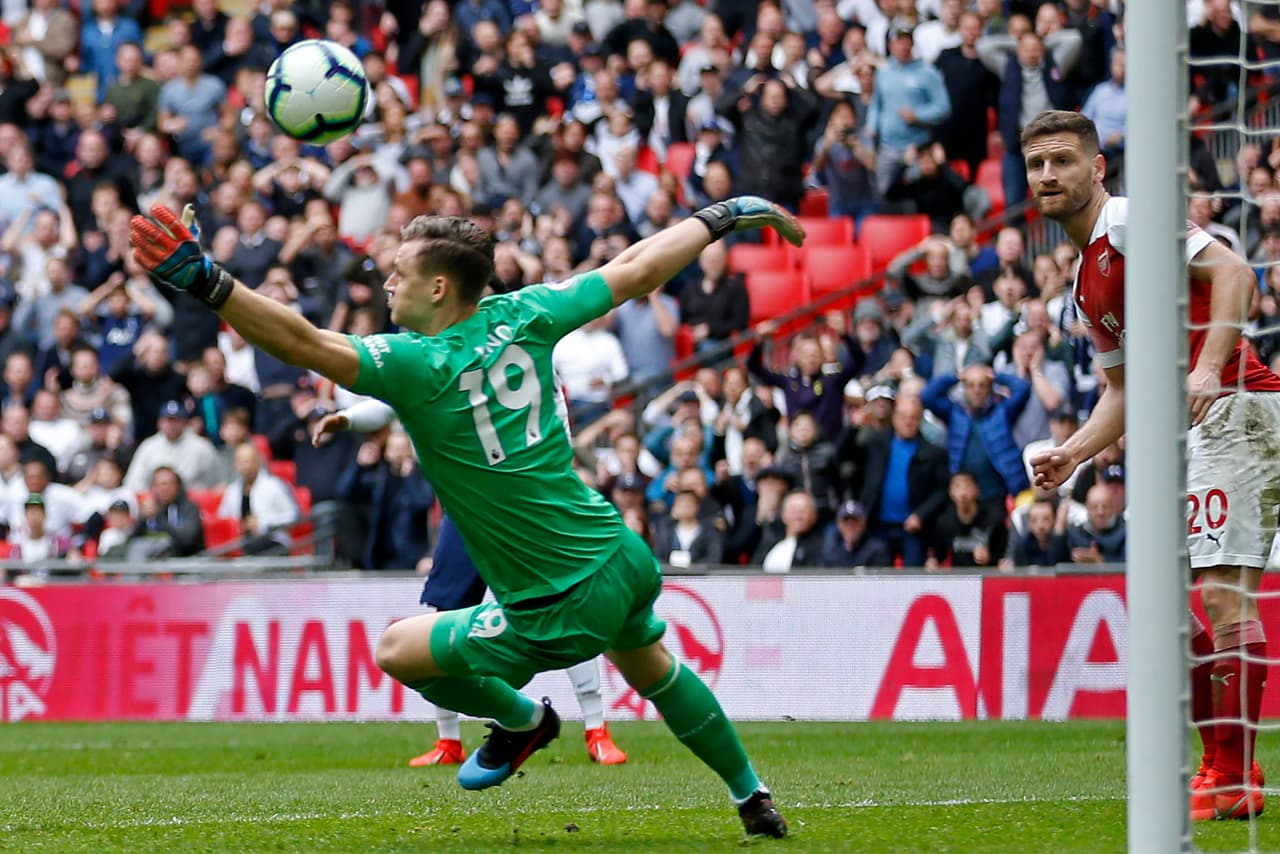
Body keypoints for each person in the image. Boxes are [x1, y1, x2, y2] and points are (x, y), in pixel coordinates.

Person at [132, 195, 802, 837]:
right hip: (620, 555)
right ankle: (752, 793)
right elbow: (636, 269)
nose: (387, 285)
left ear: (439, 290)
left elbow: (301, 342)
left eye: (400, 274)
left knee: (399, 648)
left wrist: (208, 283)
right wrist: (725, 214)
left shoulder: (414, 365)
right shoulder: (528, 311)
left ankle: (521, 721)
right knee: (651, 667)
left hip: (553, 602)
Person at [1022, 109, 1280, 821]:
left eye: (1063, 161)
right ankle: (1223, 767)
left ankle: (1232, 778)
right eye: (1037, 164)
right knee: (1172, 606)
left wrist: (1204, 366)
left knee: (1223, 597)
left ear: (1096, 167)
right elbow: (1123, 389)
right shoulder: (1083, 280)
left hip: (1236, 406)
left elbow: (1232, 271)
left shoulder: (1131, 221)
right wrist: (1073, 454)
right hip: (1198, 427)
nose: (1049, 174)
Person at [316, 396, 630, 767]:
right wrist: (348, 418)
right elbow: (389, 398)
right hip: (466, 507)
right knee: (444, 614)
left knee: (563, 606)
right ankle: (448, 740)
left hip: (529, 507)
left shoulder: (517, 353)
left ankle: (596, 730)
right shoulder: (443, 356)